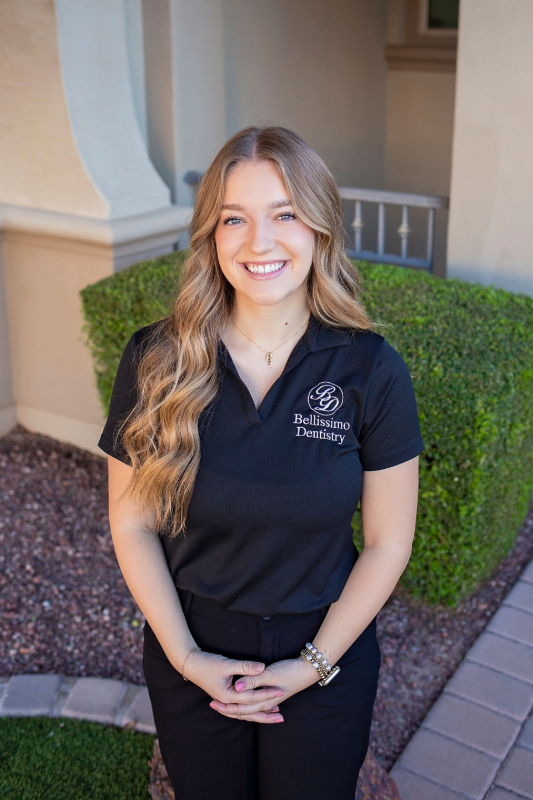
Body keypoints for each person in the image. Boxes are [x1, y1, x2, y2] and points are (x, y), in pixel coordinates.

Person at [98, 125, 424, 800]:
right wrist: (187, 658)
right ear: (209, 236)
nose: (259, 242)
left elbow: (389, 543)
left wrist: (312, 664)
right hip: (192, 646)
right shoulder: (157, 361)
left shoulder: (369, 370)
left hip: (324, 653)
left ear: (319, 228)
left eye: (284, 215)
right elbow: (131, 525)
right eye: (234, 219)